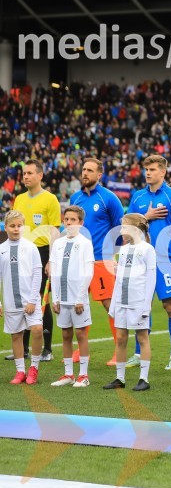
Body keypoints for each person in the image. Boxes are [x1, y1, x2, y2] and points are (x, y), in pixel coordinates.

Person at [126, 155, 171, 371]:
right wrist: (146, 215)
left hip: (164, 260)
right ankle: (137, 353)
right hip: (140, 259)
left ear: (163, 172)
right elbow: (128, 227)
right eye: (146, 169)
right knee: (141, 306)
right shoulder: (138, 197)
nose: (148, 173)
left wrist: (167, 250)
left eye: (153, 169)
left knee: (170, 306)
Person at [69, 157, 125, 367]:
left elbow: (121, 228)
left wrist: (113, 253)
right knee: (78, 302)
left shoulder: (108, 198)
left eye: (90, 170)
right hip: (79, 259)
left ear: (99, 175)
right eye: (83, 169)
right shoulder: (75, 198)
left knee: (109, 305)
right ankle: (81, 350)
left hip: (102, 259)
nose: (85, 173)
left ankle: (119, 351)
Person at [10, 160, 59, 362]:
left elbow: (55, 230)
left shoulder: (50, 199)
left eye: (30, 173)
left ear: (40, 175)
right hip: (22, 252)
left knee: (40, 299)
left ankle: (46, 349)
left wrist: (52, 259)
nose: (26, 176)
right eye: (24, 173)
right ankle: (23, 349)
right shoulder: (19, 199)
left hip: (42, 252)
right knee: (23, 297)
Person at [104, 214, 156, 392]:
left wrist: (146, 304)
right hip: (122, 301)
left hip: (138, 301)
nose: (121, 231)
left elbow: (151, 278)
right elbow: (119, 278)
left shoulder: (147, 249)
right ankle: (120, 377)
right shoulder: (124, 250)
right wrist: (113, 304)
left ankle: (144, 378)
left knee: (142, 337)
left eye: (124, 227)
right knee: (120, 338)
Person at [48, 206, 94, 388]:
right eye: (66, 219)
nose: (68, 223)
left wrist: (80, 298)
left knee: (81, 334)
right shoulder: (58, 243)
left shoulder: (85, 243)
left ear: (81, 223)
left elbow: (89, 272)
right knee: (66, 334)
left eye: (73, 220)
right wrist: (55, 298)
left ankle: (83, 375)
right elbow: (54, 271)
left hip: (78, 299)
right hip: (62, 299)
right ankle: (68, 374)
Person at [1, 210, 45, 385]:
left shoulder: (30, 246)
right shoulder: (1, 249)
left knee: (37, 330)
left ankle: (33, 368)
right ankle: (20, 371)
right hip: (11, 300)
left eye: (19, 226)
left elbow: (37, 272)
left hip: (30, 300)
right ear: (6, 227)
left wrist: (33, 300)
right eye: (12, 226)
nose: (16, 229)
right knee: (16, 335)